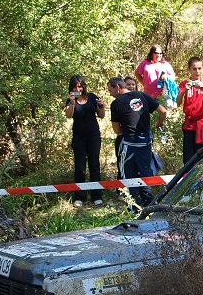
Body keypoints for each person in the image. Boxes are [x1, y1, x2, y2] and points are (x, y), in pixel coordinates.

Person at [107, 77, 164, 208]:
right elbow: (163, 111)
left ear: (117, 87)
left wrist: (127, 131)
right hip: (146, 142)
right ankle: (150, 205)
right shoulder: (142, 95)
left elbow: (117, 130)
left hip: (130, 144)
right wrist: (160, 122)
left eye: (110, 90)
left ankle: (135, 206)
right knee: (145, 173)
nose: (110, 94)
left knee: (129, 175)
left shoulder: (116, 103)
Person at [65, 75, 105, 207]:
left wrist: (102, 106)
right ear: (71, 88)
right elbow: (69, 115)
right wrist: (71, 103)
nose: (78, 89)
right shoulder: (70, 101)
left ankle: (96, 195)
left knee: (94, 165)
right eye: (75, 86)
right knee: (80, 166)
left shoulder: (92, 97)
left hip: (93, 135)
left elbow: (101, 115)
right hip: (78, 137)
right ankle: (80, 196)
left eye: (80, 86)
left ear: (84, 86)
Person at [177, 57, 203, 163]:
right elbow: (178, 102)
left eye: (199, 68)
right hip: (190, 125)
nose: (197, 71)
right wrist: (185, 90)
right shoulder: (184, 84)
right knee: (189, 158)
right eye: (194, 69)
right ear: (189, 70)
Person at [135, 45, 175, 128]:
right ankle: (150, 131)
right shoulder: (145, 63)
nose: (159, 55)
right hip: (148, 94)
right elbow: (137, 73)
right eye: (156, 53)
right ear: (151, 53)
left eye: (161, 53)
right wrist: (144, 82)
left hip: (162, 95)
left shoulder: (165, 64)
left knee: (163, 115)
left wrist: (166, 78)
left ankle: (162, 135)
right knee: (148, 115)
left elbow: (172, 77)